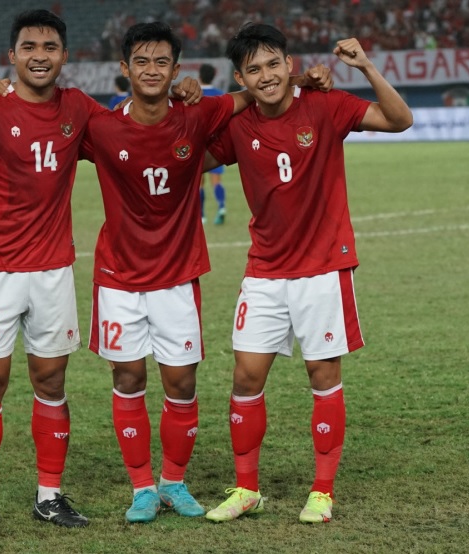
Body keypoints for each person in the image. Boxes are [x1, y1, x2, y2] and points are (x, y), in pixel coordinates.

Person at [0, 10, 202, 541]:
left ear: (65, 56)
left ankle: (49, 495)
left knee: (51, 382)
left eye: (50, 46)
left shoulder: (78, 109)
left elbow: (131, 126)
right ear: (13, 56)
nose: (40, 55)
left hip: (52, 271)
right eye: (30, 47)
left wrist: (181, 94)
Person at [79, 22, 329, 524]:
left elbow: (253, 93)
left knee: (181, 385)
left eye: (162, 63)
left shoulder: (199, 113)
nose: (152, 71)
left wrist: (307, 83)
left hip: (177, 275)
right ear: (124, 69)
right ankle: (142, 488)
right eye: (142, 62)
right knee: (128, 378)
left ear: (177, 71)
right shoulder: (99, 126)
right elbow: (43, 118)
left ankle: (173, 481)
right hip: (118, 277)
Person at [202, 24, 412, 524]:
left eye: (273, 64)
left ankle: (322, 491)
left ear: (289, 64)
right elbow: (189, 158)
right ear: (240, 77)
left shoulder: (326, 104)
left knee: (323, 375)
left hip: (322, 269)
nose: (266, 75)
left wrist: (364, 66)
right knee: (246, 376)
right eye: (253, 69)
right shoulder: (237, 124)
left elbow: (399, 119)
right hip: (265, 271)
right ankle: (247, 488)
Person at [197, 62, 228, 225]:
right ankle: (222, 207)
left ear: (199, 76)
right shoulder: (220, 95)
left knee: (199, 182)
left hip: (198, 145)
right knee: (216, 180)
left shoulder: (195, 95)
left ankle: (201, 215)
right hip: (216, 144)